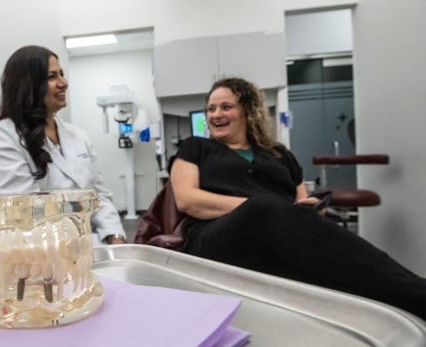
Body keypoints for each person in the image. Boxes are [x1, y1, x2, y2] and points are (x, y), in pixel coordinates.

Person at [170, 77, 426, 320]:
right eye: (211, 108)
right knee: (264, 209)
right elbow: (187, 200)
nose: (216, 114)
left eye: (226, 107)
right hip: (214, 240)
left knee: (341, 272)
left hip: (276, 236)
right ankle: (419, 294)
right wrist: (266, 209)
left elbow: (300, 204)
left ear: (248, 111)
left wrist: (311, 210)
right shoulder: (196, 147)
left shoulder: (278, 153)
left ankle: (405, 305)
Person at [0, 46, 127, 245]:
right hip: (37, 260)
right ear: (28, 84)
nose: (63, 83)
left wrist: (116, 239)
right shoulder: (1, 137)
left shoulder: (77, 136)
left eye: (62, 74)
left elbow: (99, 197)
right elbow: (26, 217)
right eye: (52, 76)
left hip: (89, 250)